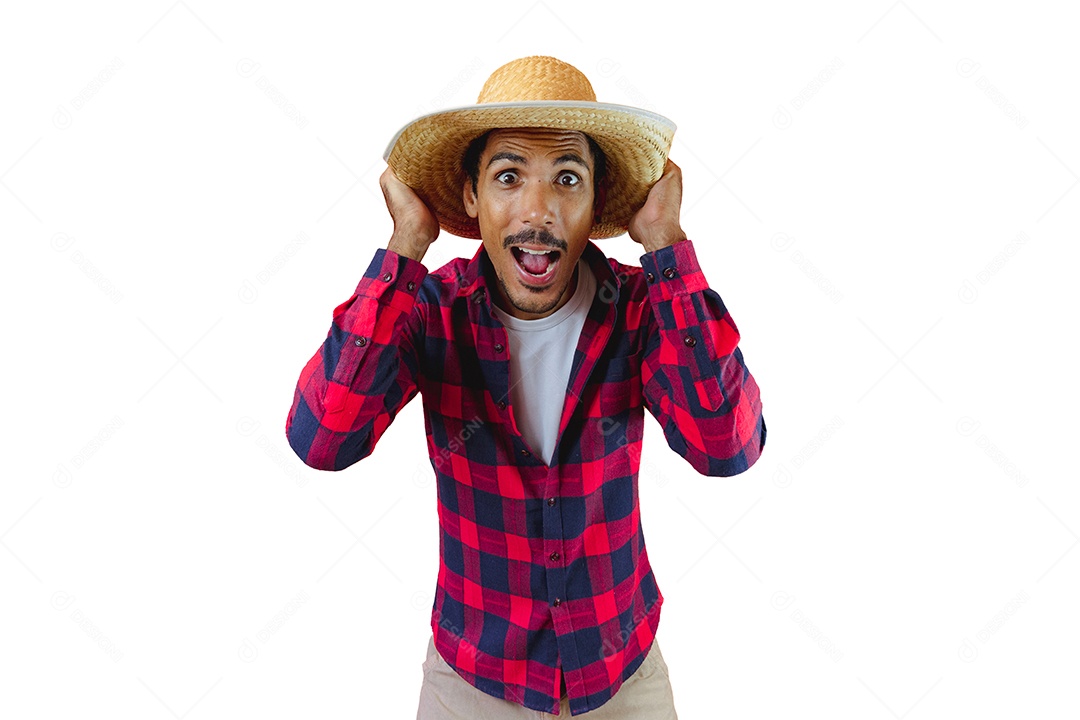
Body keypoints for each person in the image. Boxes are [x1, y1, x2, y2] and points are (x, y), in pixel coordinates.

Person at [286, 55, 766, 718]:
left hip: (621, 674)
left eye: (567, 178)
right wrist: (403, 249)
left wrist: (666, 247)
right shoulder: (430, 308)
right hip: (473, 678)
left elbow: (728, 447)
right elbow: (322, 437)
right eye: (509, 177)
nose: (537, 210)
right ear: (471, 198)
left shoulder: (640, 307)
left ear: (595, 202)